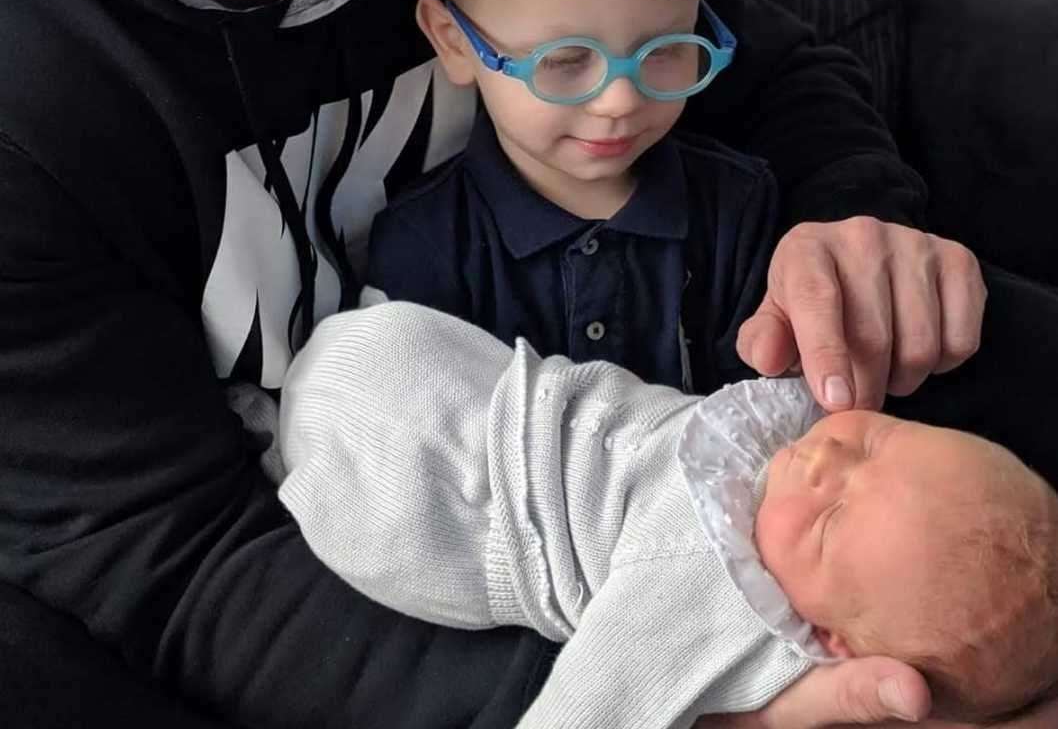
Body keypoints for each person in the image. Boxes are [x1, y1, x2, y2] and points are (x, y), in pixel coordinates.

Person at [0, 0, 1051, 727]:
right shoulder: (33, 97)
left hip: (694, 425)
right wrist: (691, 703)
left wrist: (851, 214)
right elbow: (172, 562)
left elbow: (766, 67)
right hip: (334, 572)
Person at [276, 300, 1058, 729]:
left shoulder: (706, 596)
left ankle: (282, 442)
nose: (825, 461)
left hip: (432, 497)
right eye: (881, 443)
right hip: (460, 375)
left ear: (830, 640)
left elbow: (588, 708)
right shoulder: (802, 444)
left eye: (829, 523)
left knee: (390, 524)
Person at [367, 0, 778, 394]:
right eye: (563, 61)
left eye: (667, 48)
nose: (620, 100)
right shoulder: (422, 246)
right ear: (455, 43)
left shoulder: (741, 212)